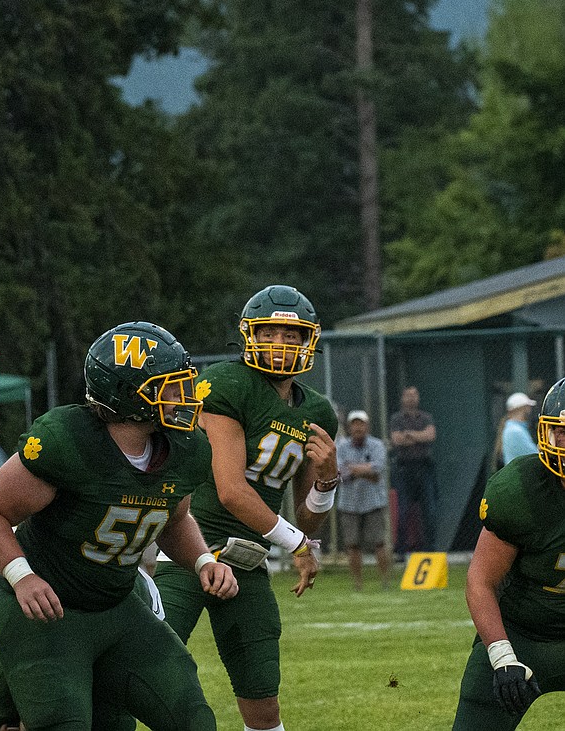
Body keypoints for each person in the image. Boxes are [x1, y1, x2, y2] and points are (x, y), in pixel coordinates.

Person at [0, 321, 238, 731]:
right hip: (47, 613)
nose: (185, 395)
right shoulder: (69, 440)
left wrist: (203, 561)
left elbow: (176, 517)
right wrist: (22, 577)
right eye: (170, 385)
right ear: (129, 392)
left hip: (116, 605)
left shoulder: (185, 448)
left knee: (193, 718)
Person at [155, 284, 339, 731]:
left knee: (261, 695)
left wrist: (328, 480)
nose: (281, 344)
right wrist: (297, 545)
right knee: (148, 669)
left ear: (308, 340)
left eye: (291, 336)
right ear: (249, 335)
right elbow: (231, 490)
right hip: (187, 550)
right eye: (271, 332)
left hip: (247, 560)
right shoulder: (225, 384)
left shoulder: (316, 410)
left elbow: (305, 515)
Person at [452, 377, 565, 729]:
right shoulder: (521, 489)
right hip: (522, 634)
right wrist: (502, 656)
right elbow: (481, 581)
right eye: (561, 430)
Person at [335, 410, 390, 591]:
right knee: (352, 545)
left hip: (373, 502)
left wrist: (353, 468)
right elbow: (339, 472)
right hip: (349, 503)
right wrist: (366, 470)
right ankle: (357, 583)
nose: (358, 427)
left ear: (367, 426)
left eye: (361, 423)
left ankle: (385, 581)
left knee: (379, 542)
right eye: (354, 424)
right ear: (349, 427)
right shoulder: (341, 447)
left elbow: (378, 468)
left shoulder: (377, 445)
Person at [389, 385, 438, 553]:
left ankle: (430, 550)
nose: (411, 398)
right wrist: (419, 436)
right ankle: (401, 551)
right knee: (402, 511)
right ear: (402, 398)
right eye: (408, 395)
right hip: (404, 469)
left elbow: (430, 435)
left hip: (424, 468)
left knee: (429, 511)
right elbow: (396, 440)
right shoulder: (396, 419)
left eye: (414, 395)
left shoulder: (426, 417)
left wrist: (409, 435)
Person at [500, 392, 538, 466]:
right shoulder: (515, 431)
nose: (530, 410)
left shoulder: (512, 428)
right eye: (528, 407)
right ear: (522, 408)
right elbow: (535, 456)